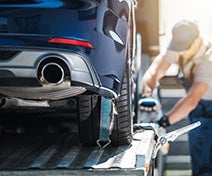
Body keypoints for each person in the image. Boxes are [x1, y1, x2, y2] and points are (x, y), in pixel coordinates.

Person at [141, 19, 212, 176]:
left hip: (209, 112)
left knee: (207, 169)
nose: (180, 52)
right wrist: (149, 84)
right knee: (198, 166)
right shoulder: (180, 45)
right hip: (199, 114)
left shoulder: (209, 60)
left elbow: (191, 100)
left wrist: (163, 122)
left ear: (197, 40)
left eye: (184, 49)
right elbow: (159, 66)